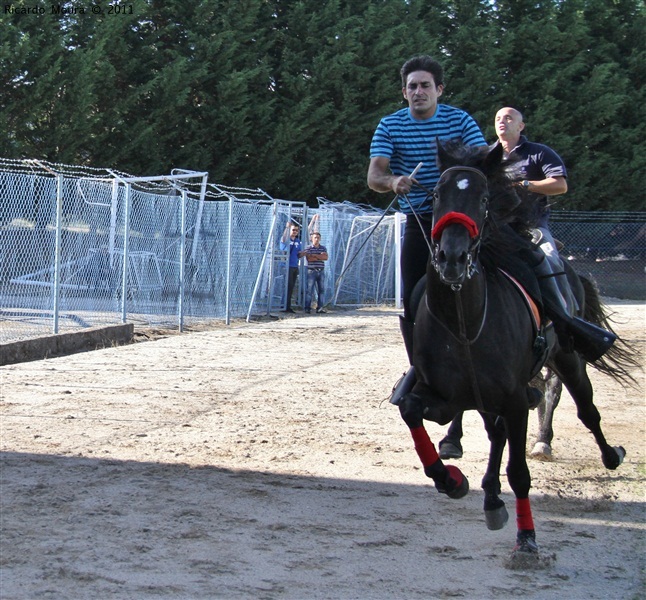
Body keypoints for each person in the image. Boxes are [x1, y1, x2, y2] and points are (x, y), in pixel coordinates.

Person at [367, 55, 487, 388]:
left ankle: (550, 332)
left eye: (425, 85)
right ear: (404, 93)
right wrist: (393, 182)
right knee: (411, 296)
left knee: (515, 266)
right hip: (421, 218)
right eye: (412, 87)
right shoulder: (389, 125)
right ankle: (419, 369)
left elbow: (482, 163)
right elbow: (374, 176)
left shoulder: (461, 121)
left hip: (464, 217)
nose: (418, 91)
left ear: (439, 89)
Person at [493, 107, 615, 361]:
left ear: (521, 126)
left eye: (508, 118)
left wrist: (525, 184)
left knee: (550, 256)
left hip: (531, 227)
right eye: (498, 119)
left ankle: (567, 323)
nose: (502, 122)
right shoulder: (487, 154)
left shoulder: (539, 153)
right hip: (494, 228)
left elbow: (560, 185)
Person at [300, 228, 328, 314]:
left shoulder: (323, 248)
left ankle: (320, 308)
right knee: (309, 290)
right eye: (315, 237)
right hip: (311, 271)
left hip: (321, 271)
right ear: (312, 238)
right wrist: (319, 256)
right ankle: (307, 308)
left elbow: (325, 257)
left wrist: (315, 255)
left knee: (321, 290)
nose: (317, 239)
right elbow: (309, 258)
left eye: (318, 237)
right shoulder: (308, 248)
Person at [280, 221, 303, 313]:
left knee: (291, 286)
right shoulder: (286, 239)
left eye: (296, 230)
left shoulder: (298, 241)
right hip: (286, 266)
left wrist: (303, 254)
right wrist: (287, 228)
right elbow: (283, 239)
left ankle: (287, 306)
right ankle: (284, 306)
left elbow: (298, 254)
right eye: (293, 230)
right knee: (287, 286)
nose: (295, 232)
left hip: (294, 265)